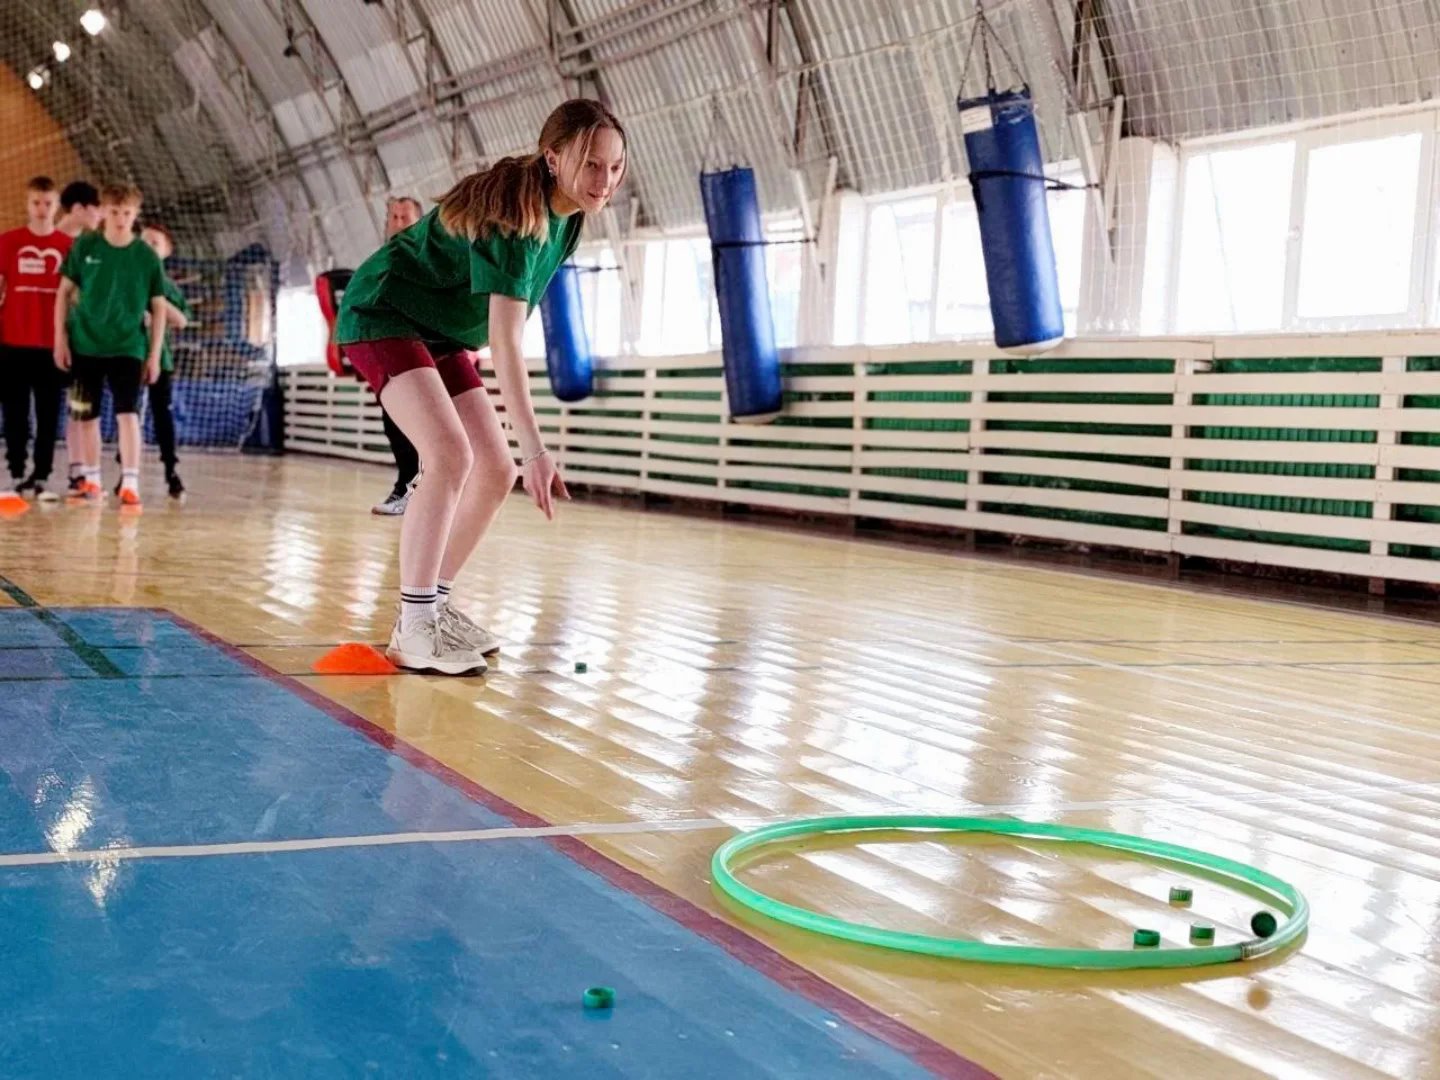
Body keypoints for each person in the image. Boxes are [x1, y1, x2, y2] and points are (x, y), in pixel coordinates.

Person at [336, 98, 626, 675]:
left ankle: (434, 607)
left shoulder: (570, 219)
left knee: (494, 469)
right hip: (383, 312)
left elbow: (501, 322)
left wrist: (522, 454)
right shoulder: (520, 220)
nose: (605, 180)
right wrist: (537, 450)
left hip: (440, 331)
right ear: (553, 158)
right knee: (449, 454)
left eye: (615, 167)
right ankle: (414, 625)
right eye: (592, 164)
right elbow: (506, 341)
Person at [53, 183, 167, 507]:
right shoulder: (85, 246)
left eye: (127, 213)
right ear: (104, 212)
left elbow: (159, 307)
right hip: (84, 346)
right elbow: (63, 293)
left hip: (128, 348)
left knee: (127, 413)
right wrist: (59, 338)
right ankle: (91, 478)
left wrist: (154, 354)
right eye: (114, 212)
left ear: (135, 214)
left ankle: (130, 482)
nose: (120, 219)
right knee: (84, 415)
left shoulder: (146, 256)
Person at [0, 177, 71, 500]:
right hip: (12, 341)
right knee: (14, 412)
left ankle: (42, 473)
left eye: (48, 203)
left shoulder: (68, 247)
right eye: (36, 203)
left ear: (56, 207)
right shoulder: (8, 242)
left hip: (51, 344)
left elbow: (75, 294)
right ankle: (16, 470)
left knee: (48, 413)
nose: (42, 209)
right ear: (27, 205)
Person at [371, 195, 424, 516]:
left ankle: (418, 492)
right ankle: (407, 488)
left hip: (428, 351)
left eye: (405, 217)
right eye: (394, 217)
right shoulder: (382, 261)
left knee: (425, 429)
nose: (399, 222)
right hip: (394, 352)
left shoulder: (429, 258)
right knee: (393, 422)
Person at [53, 181, 102, 497]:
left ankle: (79, 470)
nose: (101, 216)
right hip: (36, 336)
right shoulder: (52, 243)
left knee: (79, 403)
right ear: (80, 209)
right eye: (97, 209)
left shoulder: (91, 246)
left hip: (76, 338)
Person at [137, 222, 190, 499]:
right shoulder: (125, 277)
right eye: (143, 241)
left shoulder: (167, 286)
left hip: (160, 358)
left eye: (154, 243)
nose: (147, 247)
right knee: (128, 414)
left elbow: (181, 320)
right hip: (127, 355)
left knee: (162, 415)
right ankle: (126, 472)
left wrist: (156, 298)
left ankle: (171, 468)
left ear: (166, 251)